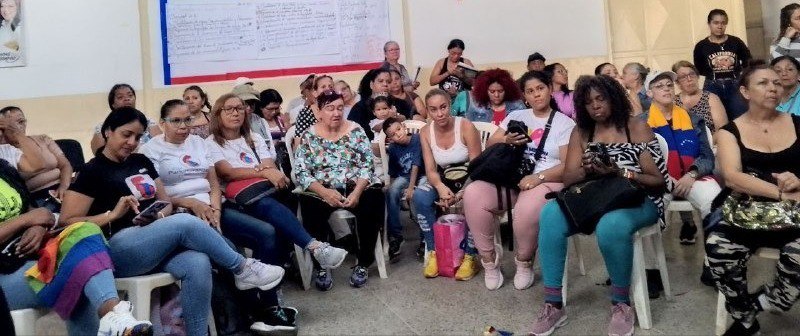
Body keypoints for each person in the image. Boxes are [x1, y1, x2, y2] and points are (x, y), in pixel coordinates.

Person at [59, 107, 285, 336]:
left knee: (198, 262)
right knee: (184, 222)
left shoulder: (140, 160)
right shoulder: (92, 171)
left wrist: (158, 216)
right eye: (125, 135)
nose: (131, 142)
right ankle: (241, 268)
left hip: (153, 238)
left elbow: (164, 201)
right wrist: (112, 215)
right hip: (116, 248)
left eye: (137, 137)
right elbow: (68, 222)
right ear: (108, 132)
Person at [141, 98, 346, 333]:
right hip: (182, 213)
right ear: (162, 123)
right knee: (232, 247)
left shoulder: (198, 143)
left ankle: (268, 306)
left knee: (267, 232)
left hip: (216, 206)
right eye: (175, 121)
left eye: (187, 120)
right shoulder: (151, 150)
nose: (182, 126)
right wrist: (190, 203)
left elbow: (214, 183)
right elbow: (161, 196)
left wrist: (215, 209)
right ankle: (256, 310)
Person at [529, 75, 669, 336]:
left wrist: (619, 171)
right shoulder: (582, 132)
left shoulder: (635, 127)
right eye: (588, 102)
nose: (595, 106)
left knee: (611, 225)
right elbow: (569, 178)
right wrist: (587, 168)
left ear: (613, 98)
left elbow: (658, 182)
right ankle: (553, 305)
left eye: (600, 98)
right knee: (549, 213)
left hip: (638, 199)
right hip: (595, 199)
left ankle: (621, 304)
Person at [706, 64, 800, 336]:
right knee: (718, 247)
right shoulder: (729, 132)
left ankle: (770, 300)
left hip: (794, 214)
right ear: (745, 91)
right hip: (747, 212)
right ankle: (745, 318)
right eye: (763, 83)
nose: (773, 87)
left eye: (776, 83)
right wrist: (781, 193)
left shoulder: (796, 124)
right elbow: (733, 178)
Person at [464, 71, 575, 290]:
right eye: (530, 91)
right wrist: (506, 139)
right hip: (511, 177)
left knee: (524, 210)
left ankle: (524, 262)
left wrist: (538, 177)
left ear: (549, 89)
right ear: (524, 96)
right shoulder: (518, 117)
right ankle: (489, 261)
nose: (536, 95)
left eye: (540, 89)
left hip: (546, 179)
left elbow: (567, 166)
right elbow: (491, 145)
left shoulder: (565, 123)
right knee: (473, 194)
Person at [293, 90, 385, 289]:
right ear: (319, 111)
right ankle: (322, 265)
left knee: (374, 199)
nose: (336, 113)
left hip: (355, 186)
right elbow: (301, 172)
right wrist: (324, 192)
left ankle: (363, 263)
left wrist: (357, 192)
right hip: (322, 189)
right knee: (309, 205)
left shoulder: (356, 130)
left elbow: (366, 166)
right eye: (330, 108)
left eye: (340, 108)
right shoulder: (309, 135)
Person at [642, 71, 720, 246]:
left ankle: (716, 259)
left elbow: (707, 156)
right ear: (649, 93)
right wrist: (663, 177)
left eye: (669, 85)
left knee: (715, 202)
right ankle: (651, 268)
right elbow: (640, 160)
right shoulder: (641, 123)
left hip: (693, 178)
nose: (667, 89)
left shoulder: (693, 120)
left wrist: (691, 174)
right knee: (641, 211)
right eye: (659, 86)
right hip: (659, 181)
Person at [414, 88, 482, 280]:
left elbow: (477, 167)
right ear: (427, 111)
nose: (440, 113)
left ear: (450, 105)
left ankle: (470, 255)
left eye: (443, 107)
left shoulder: (466, 126)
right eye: (433, 109)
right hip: (444, 179)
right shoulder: (426, 132)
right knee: (420, 195)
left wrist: (461, 193)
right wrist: (442, 189)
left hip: (471, 177)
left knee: (472, 198)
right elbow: (430, 170)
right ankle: (434, 251)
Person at [0, 107, 72, 212]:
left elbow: (65, 165)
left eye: (21, 122)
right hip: (36, 197)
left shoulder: (42, 139)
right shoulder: (6, 152)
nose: (18, 127)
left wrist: (64, 186)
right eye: (11, 125)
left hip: (63, 185)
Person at [693, 9, 751, 120]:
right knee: (715, 119)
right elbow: (699, 68)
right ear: (709, 24)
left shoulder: (736, 42)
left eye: (723, 23)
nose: (720, 26)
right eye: (716, 23)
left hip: (735, 84)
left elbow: (747, 61)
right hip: (712, 85)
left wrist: (743, 77)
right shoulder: (701, 46)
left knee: (741, 117)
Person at [382, 117, 423, 261]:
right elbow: (393, 172)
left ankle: (424, 239)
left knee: (420, 193)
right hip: (405, 177)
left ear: (404, 127)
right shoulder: (393, 148)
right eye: (393, 134)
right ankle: (396, 237)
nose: (398, 134)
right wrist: (392, 187)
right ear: (390, 139)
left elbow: (416, 166)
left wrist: (411, 189)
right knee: (391, 191)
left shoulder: (417, 139)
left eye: (398, 129)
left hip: (422, 175)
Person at [90, 84, 162, 153]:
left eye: (130, 95)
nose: (127, 99)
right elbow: (99, 155)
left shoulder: (148, 122)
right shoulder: (103, 127)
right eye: (120, 97)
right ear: (113, 104)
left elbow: (161, 148)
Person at [348, 68, 412, 140]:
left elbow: (415, 119)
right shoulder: (359, 108)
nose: (385, 84)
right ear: (371, 85)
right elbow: (354, 134)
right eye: (380, 81)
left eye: (388, 82)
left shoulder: (401, 103)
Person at [673, 60, 729, 133]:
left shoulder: (711, 98)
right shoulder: (673, 102)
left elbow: (722, 129)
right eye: (683, 77)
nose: (689, 79)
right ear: (677, 82)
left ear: (697, 76)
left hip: (712, 142)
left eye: (692, 74)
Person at [454, 68, 525, 124]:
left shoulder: (517, 106)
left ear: (507, 90)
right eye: (492, 92)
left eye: (500, 91)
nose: (496, 95)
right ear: (485, 91)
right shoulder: (475, 107)